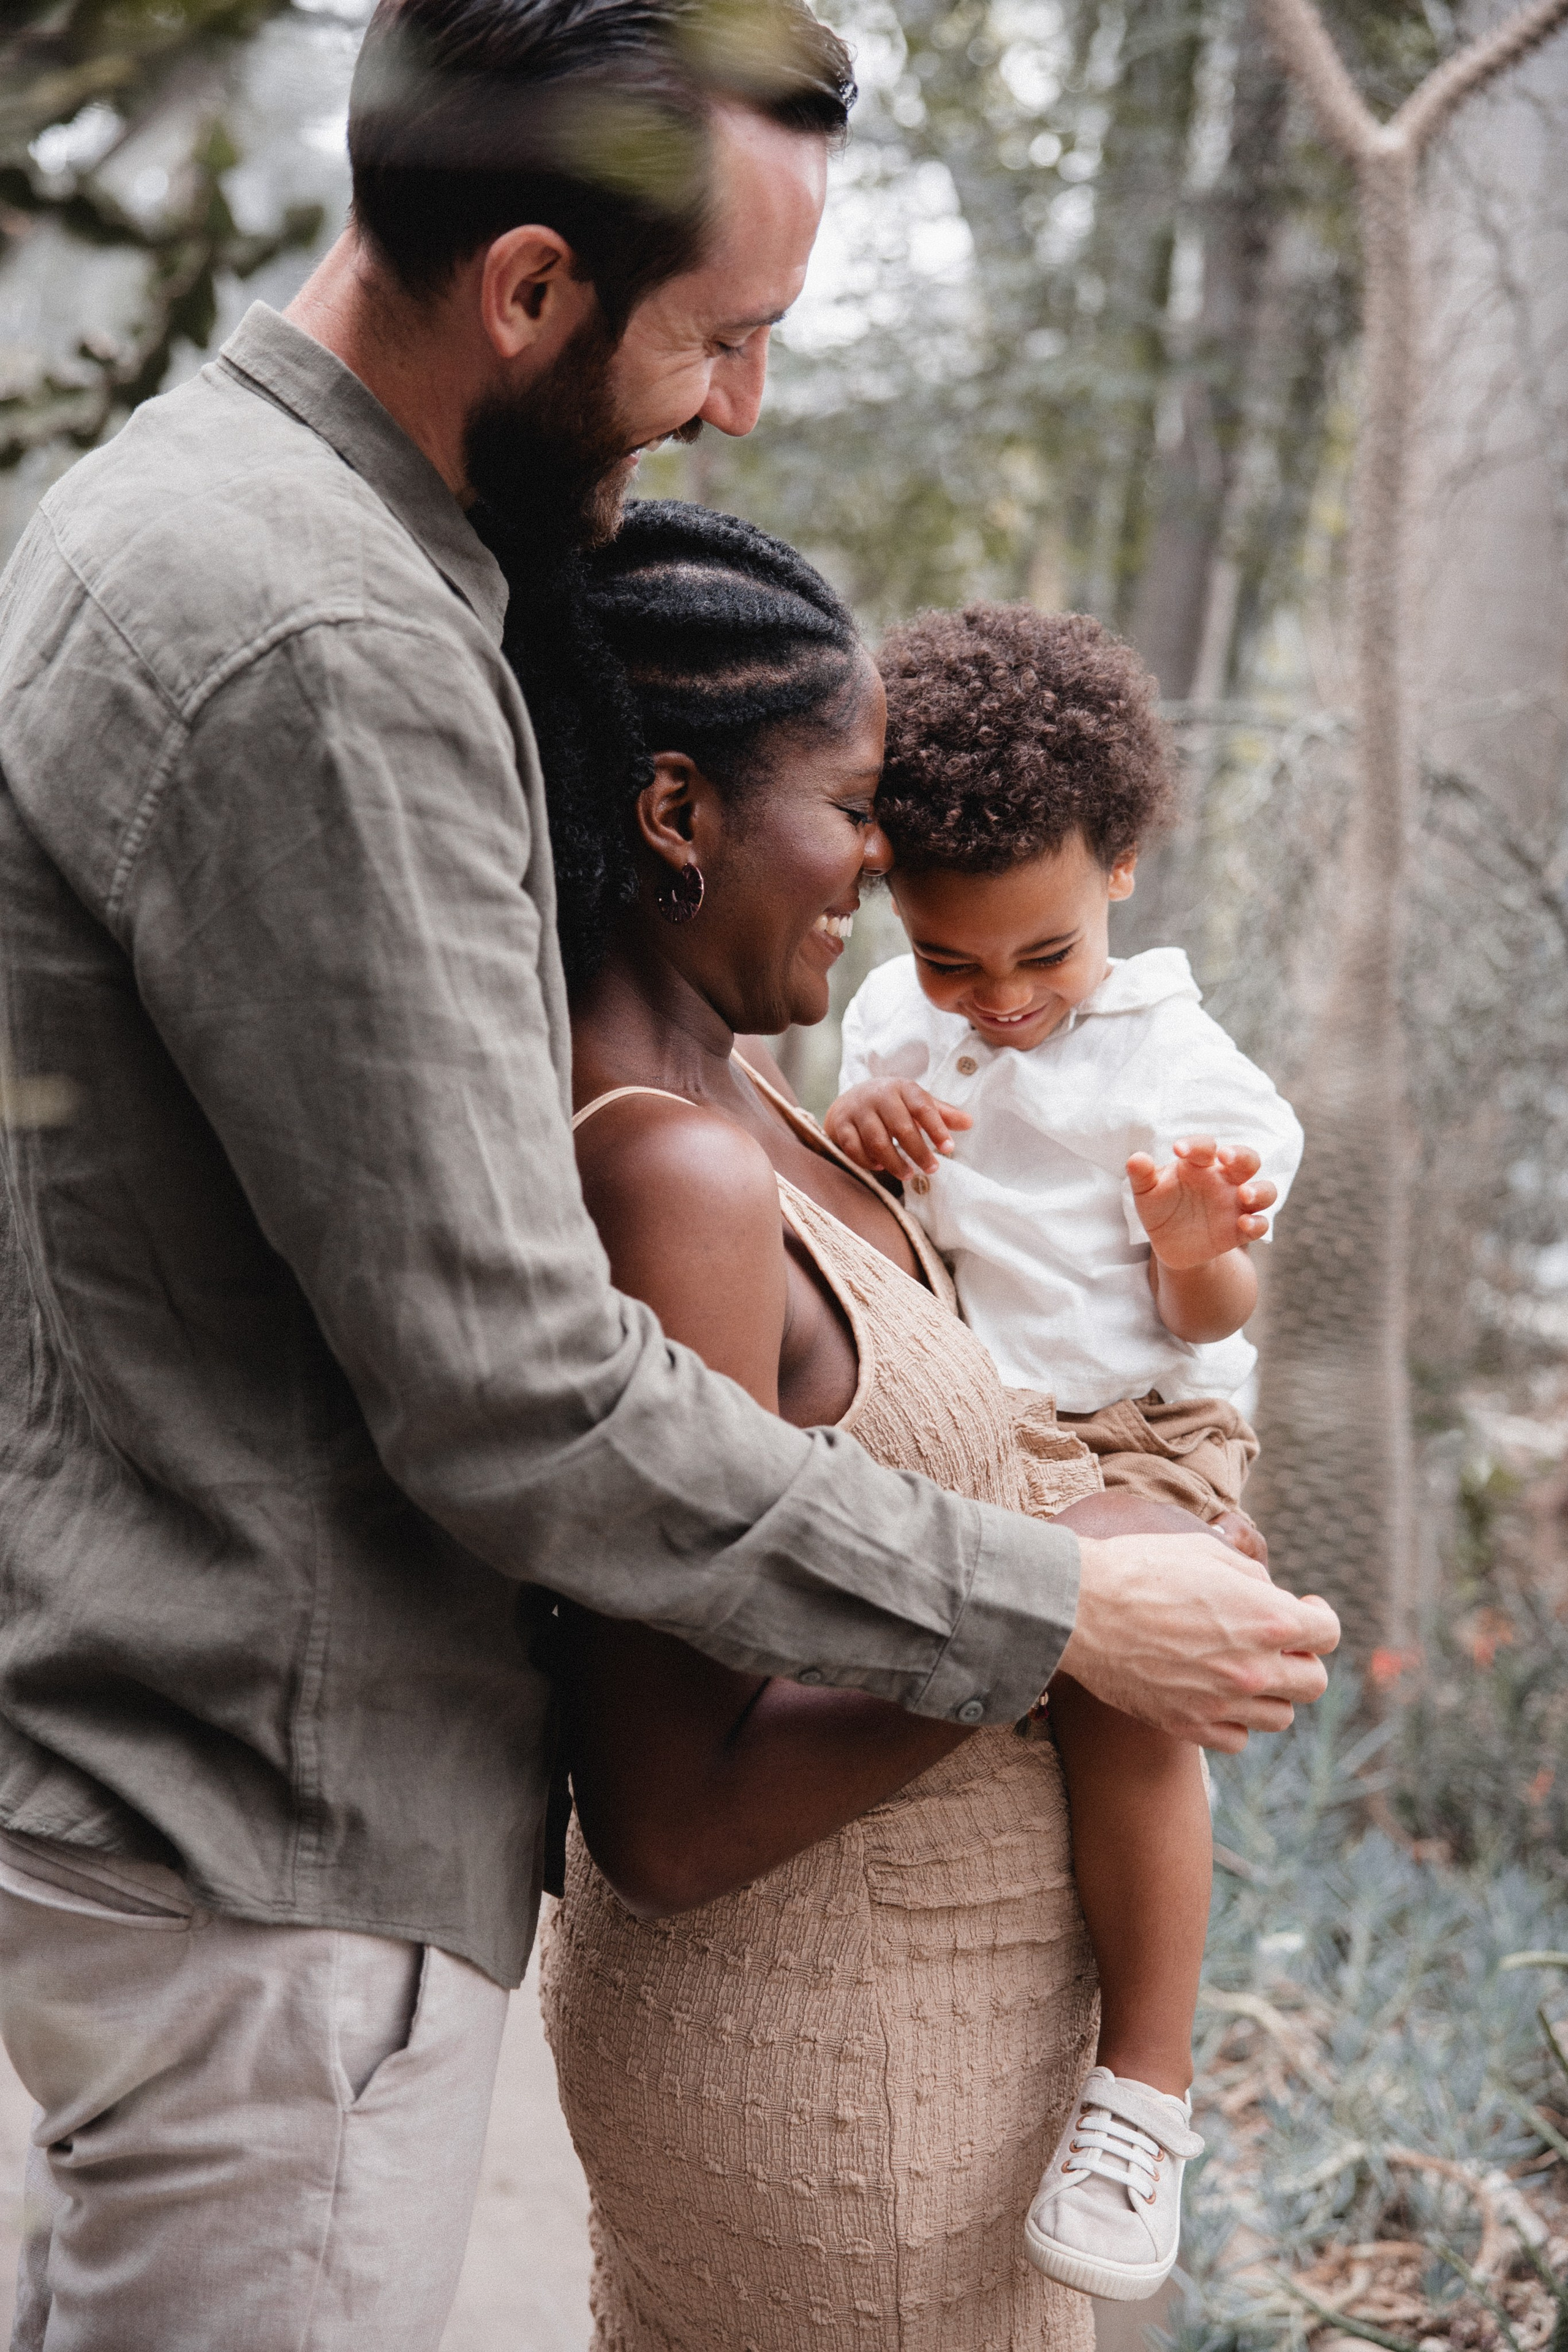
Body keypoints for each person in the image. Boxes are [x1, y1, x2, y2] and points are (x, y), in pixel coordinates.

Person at [0, 0, 1337, 2339]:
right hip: (265, 1839)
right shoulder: (321, 630)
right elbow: (517, 1390)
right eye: (722, 338)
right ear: (529, 290)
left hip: (196, 1779)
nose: (743, 405)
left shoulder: (222, 529)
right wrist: (1058, 1601)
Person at [498, 498, 1259, 2346]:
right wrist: (1073, 1590)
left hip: (951, 2042)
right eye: (853, 812)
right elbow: (670, 1812)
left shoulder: (747, 1079)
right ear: (675, 814)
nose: (882, 861)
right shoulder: (671, 1166)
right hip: (847, 2072)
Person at [824, 601, 1306, 2299]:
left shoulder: (1191, 1072)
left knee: (1121, 1682)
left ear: (1118, 866)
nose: (1002, 1004)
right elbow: (871, 1204)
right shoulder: (893, 1018)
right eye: (956, 961)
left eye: (1039, 958)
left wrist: (1190, 1239)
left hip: (1140, 1427)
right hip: (968, 1415)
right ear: (891, 898)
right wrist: (860, 1128)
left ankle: (1144, 2094)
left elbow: (1208, 1315)